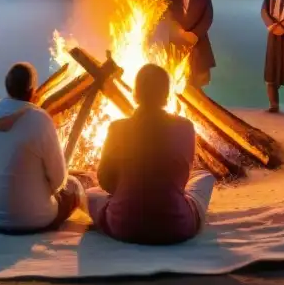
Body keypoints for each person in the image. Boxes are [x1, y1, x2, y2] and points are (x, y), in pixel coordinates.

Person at [87, 64, 216, 246]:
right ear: (166, 94)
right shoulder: (185, 127)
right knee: (204, 176)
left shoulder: (117, 128)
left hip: (123, 226)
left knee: (91, 194)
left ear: (136, 92)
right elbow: (182, 180)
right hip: (176, 226)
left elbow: (105, 181)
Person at [0, 62, 84, 234]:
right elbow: (59, 180)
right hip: (31, 219)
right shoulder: (40, 119)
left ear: (7, 87)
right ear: (33, 91)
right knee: (73, 186)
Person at [163, 0, 216, 88]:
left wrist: (194, 34)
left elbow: (208, 17)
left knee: (198, 80)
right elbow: (166, 14)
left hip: (198, 42)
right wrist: (180, 32)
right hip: (177, 42)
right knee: (177, 78)